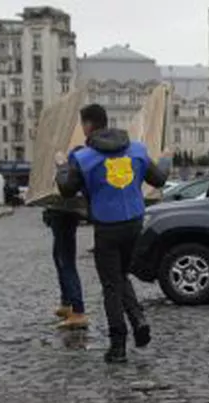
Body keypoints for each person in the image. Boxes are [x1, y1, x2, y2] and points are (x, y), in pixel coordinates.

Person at [56, 103, 170, 364]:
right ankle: (139, 321)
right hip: (135, 223)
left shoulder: (83, 158)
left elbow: (66, 189)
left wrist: (61, 165)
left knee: (110, 285)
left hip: (107, 227)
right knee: (120, 276)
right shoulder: (137, 150)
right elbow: (160, 179)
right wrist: (166, 158)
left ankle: (118, 346)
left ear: (87, 126)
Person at [44, 193, 87, 330]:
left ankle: (78, 311)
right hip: (59, 209)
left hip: (64, 209)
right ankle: (67, 302)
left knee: (66, 262)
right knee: (59, 257)